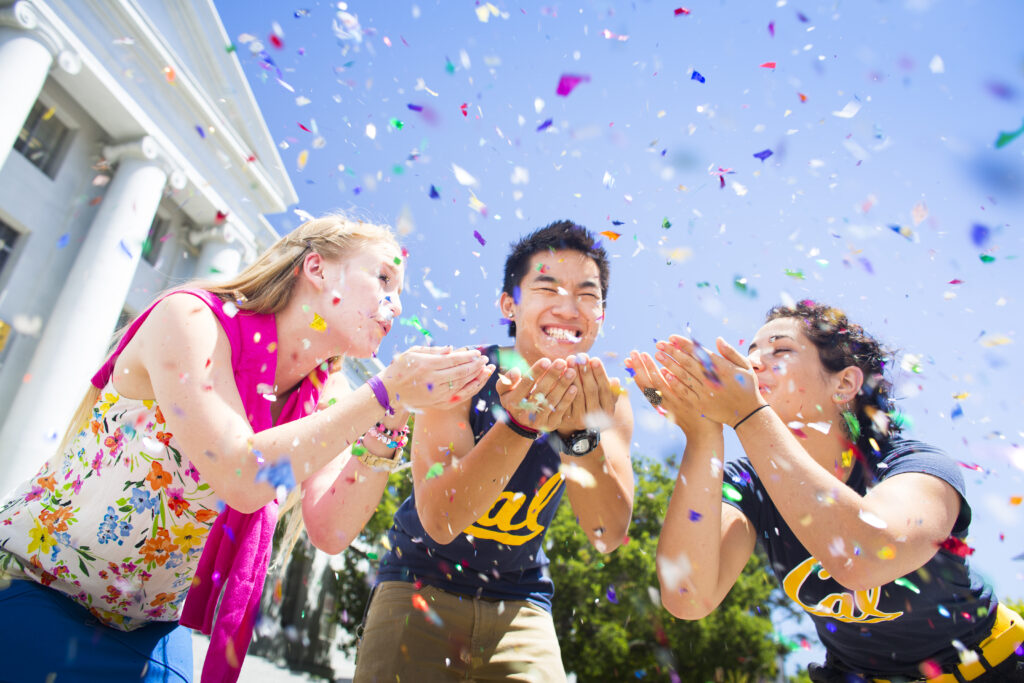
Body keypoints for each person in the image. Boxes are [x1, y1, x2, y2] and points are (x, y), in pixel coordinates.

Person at [0, 215, 494, 683]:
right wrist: (385, 390)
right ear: (317, 268)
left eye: (400, 292)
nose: (397, 305)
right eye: (384, 278)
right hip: (36, 588)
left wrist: (396, 410)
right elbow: (242, 475)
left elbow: (331, 527)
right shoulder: (190, 317)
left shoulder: (331, 397)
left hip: (148, 627)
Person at [629, 300, 1024, 682]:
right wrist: (701, 435)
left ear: (845, 383)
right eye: (751, 352)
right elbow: (688, 596)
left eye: (780, 350)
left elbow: (863, 559)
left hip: (995, 667)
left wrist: (748, 415)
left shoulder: (913, 467)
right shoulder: (748, 486)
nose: (752, 363)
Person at [354, 220, 635, 682]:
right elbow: (442, 520)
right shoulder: (461, 372)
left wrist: (577, 437)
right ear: (510, 303)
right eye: (547, 287)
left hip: (521, 601)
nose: (569, 307)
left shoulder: (608, 402)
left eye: (588, 294)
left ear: (601, 314)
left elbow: (606, 533)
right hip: (420, 582)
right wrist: (520, 425)